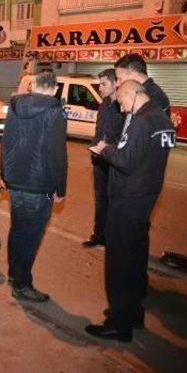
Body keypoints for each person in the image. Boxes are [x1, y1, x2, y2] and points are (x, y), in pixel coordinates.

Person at [87, 80, 175, 342]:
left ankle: (118, 323)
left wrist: (106, 150)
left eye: (122, 103)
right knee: (135, 261)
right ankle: (132, 313)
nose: (123, 109)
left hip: (127, 200)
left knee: (119, 264)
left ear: (132, 94)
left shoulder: (141, 122)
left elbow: (125, 160)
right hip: (145, 198)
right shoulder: (160, 116)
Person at [0, 70, 68, 302]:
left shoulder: (15, 106)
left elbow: (6, 141)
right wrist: (61, 188)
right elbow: (59, 153)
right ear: (54, 88)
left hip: (16, 180)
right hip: (39, 184)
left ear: (34, 85)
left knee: (18, 229)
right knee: (31, 235)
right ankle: (22, 284)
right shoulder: (55, 112)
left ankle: (13, 273)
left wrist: (3, 174)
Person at [83, 69, 123, 248]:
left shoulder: (124, 106)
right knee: (101, 200)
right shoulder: (104, 104)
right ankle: (99, 235)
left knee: (116, 201)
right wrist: (94, 147)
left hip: (115, 161)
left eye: (104, 84)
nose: (100, 88)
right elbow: (99, 130)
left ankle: (114, 238)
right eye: (100, 84)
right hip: (99, 159)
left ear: (116, 83)